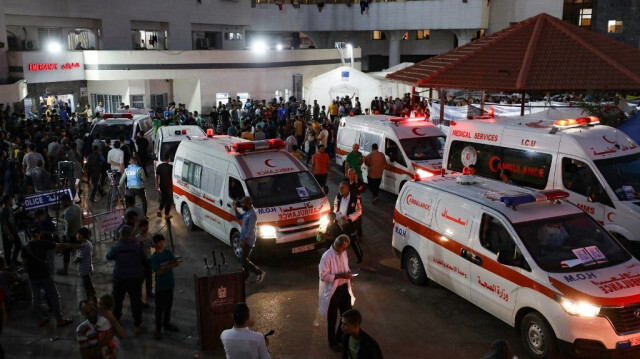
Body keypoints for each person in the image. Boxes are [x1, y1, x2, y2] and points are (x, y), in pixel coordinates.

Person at [21, 225, 75, 328]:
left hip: (32, 277)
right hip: (44, 275)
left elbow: (25, 263)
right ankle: (59, 319)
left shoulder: (25, 247)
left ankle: (40, 320)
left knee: (35, 298)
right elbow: (60, 246)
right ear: (40, 233)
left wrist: (30, 272)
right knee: (54, 296)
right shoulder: (44, 243)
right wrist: (75, 245)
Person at [106, 225, 146, 335]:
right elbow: (144, 259)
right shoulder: (137, 247)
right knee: (136, 301)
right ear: (130, 235)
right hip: (135, 278)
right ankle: (137, 325)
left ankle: (116, 322)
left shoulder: (116, 248)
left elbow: (108, 256)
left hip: (120, 278)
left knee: (117, 300)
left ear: (120, 235)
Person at [319, 234, 356, 352]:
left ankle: (340, 337)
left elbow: (346, 266)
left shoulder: (343, 253)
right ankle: (332, 342)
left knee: (346, 315)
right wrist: (341, 276)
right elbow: (323, 276)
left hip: (344, 288)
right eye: (343, 248)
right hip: (334, 292)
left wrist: (348, 273)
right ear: (337, 245)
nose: (345, 251)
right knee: (332, 318)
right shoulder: (327, 257)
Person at [150, 234, 179, 340]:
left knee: (168, 306)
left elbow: (176, 263)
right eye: (159, 242)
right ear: (155, 243)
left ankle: (166, 324)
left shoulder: (167, 252)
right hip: (160, 287)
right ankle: (158, 329)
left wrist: (165, 267)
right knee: (159, 309)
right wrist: (168, 266)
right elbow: (158, 271)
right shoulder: (154, 257)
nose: (162, 244)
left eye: (163, 241)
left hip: (170, 284)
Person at [233, 196, 266, 284]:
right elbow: (239, 217)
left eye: (243, 203)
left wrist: (244, 241)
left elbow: (250, 231)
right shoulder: (247, 212)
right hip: (243, 239)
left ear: (248, 204)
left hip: (248, 240)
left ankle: (259, 272)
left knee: (243, 260)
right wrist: (235, 209)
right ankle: (246, 278)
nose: (242, 205)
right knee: (244, 259)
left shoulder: (252, 214)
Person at [334, 181, 363, 263]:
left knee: (353, 240)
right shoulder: (338, 197)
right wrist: (336, 215)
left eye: (342, 188)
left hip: (351, 223)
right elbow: (336, 208)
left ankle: (359, 255)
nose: (340, 189)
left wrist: (349, 217)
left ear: (347, 188)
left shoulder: (354, 198)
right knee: (338, 239)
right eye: (339, 187)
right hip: (340, 221)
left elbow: (359, 211)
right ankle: (339, 257)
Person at [75, 227, 96, 302]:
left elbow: (79, 258)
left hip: (85, 270)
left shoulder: (85, 246)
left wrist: (74, 261)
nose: (77, 235)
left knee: (88, 286)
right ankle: (89, 299)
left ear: (82, 235)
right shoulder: (88, 243)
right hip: (88, 268)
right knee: (87, 286)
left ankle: (94, 301)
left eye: (78, 234)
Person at [1, 195, 22, 267]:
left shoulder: (9, 207)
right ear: (6, 201)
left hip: (14, 230)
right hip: (7, 234)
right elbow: (4, 225)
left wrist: (17, 212)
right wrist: (9, 234)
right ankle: (8, 264)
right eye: (10, 199)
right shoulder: (2, 211)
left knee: (18, 245)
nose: (11, 200)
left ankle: (14, 260)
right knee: (8, 250)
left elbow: (11, 215)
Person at [155, 154, 174, 219]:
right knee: (169, 199)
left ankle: (159, 210)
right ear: (168, 159)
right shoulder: (170, 167)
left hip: (162, 185)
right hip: (169, 186)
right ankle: (166, 214)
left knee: (164, 198)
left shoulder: (159, 166)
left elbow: (157, 175)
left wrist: (157, 183)